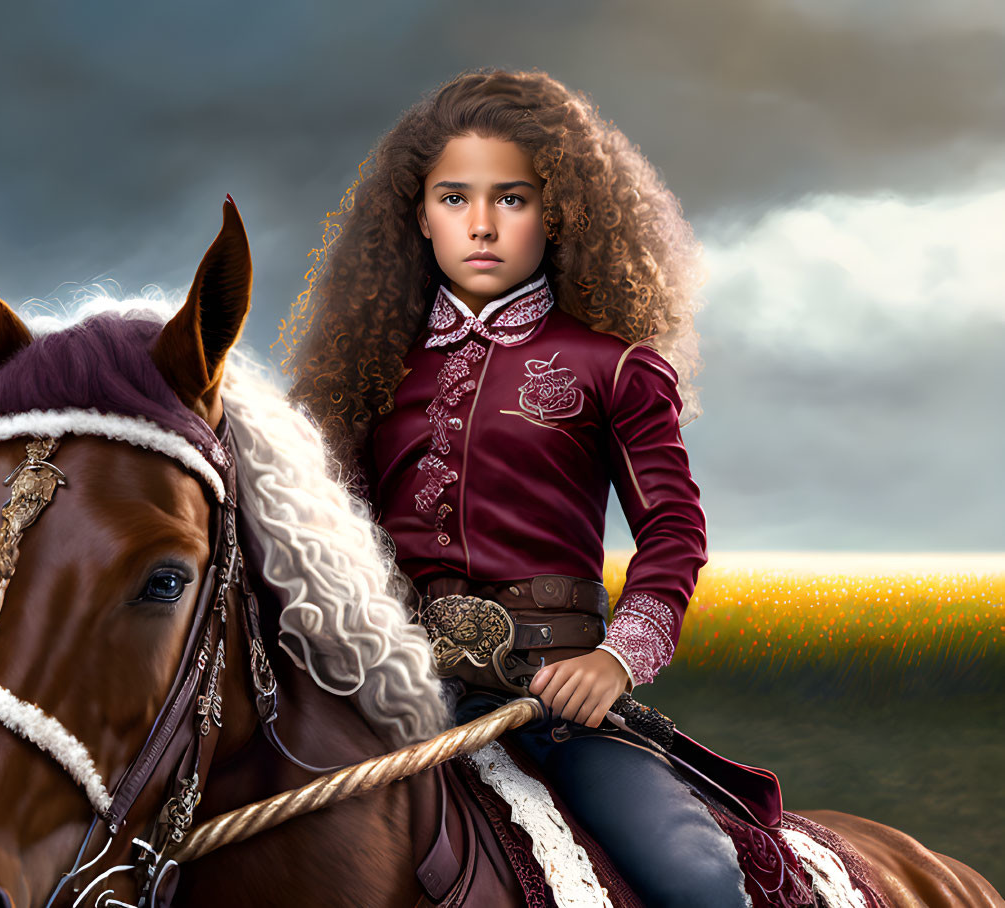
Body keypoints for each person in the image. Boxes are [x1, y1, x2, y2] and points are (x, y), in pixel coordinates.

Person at [280, 69, 755, 907]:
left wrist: (615, 660)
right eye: (454, 197)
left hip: (555, 699)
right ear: (417, 214)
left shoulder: (613, 366)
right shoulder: (364, 373)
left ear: (558, 210)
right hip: (388, 694)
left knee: (699, 880)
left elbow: (674, 531)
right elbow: (321, 537)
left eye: (513, 198)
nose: (482, 224)